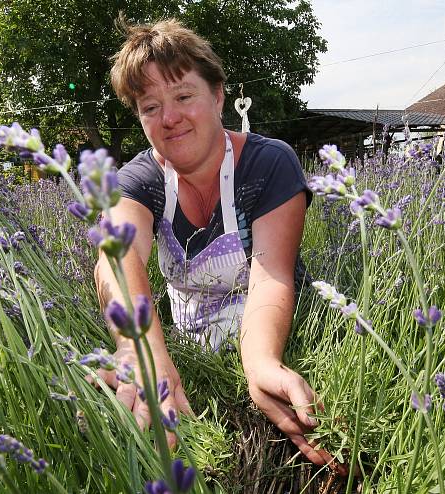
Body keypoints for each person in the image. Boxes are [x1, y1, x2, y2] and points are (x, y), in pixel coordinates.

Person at [94, 17, 343, 472]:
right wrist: (141, 349)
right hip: (189, 344)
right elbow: (115, 255)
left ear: (218, 95)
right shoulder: (139, 180)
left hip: (278, 324)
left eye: (183, 96)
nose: (169, 118)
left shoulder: (268, 164)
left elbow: (271, 277)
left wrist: (262, 363)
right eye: (150, 106)